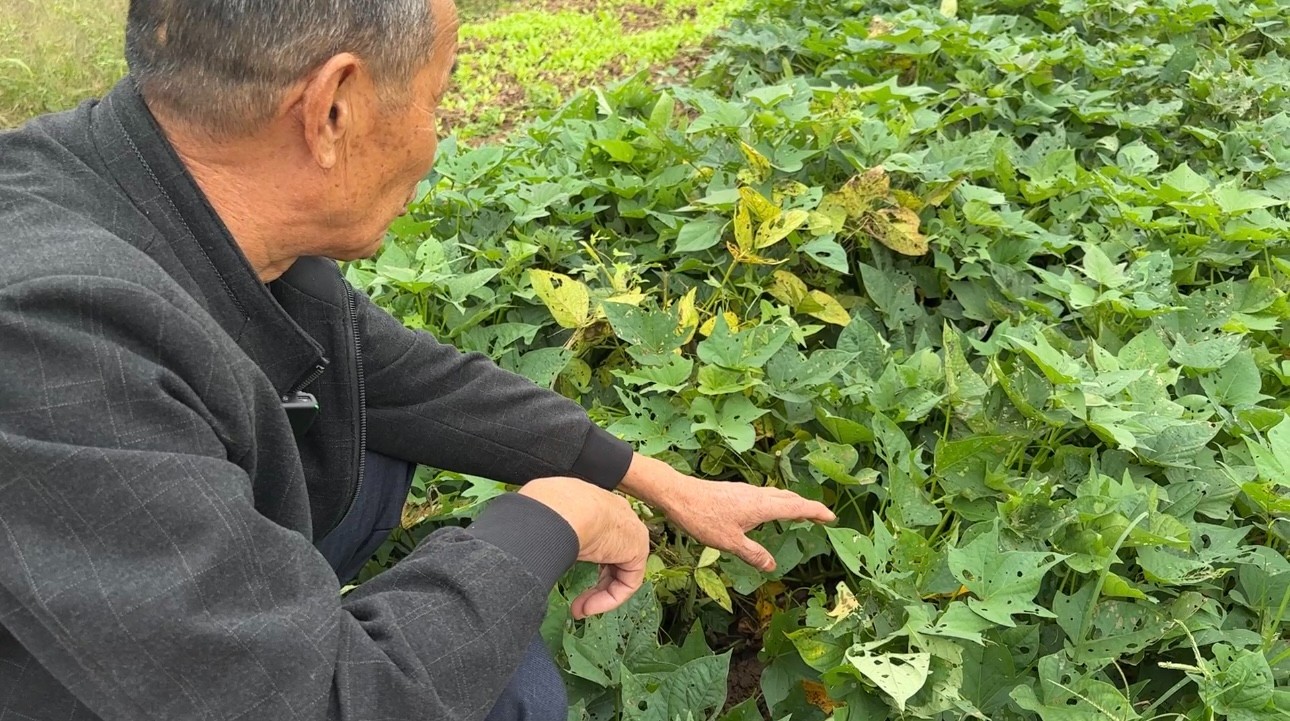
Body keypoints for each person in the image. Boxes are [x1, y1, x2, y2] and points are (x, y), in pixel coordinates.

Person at [0, 0, 835, 718]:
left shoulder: (149, 182)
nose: (439, 138)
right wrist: (547, 520)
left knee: (358, 431)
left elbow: (387, 372)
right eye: (440, 97)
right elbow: (322, 703)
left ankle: (270, 603)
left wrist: (650, 478)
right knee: (506, 684)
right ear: (332, 109)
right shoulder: (55, 342)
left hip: (121, 576)